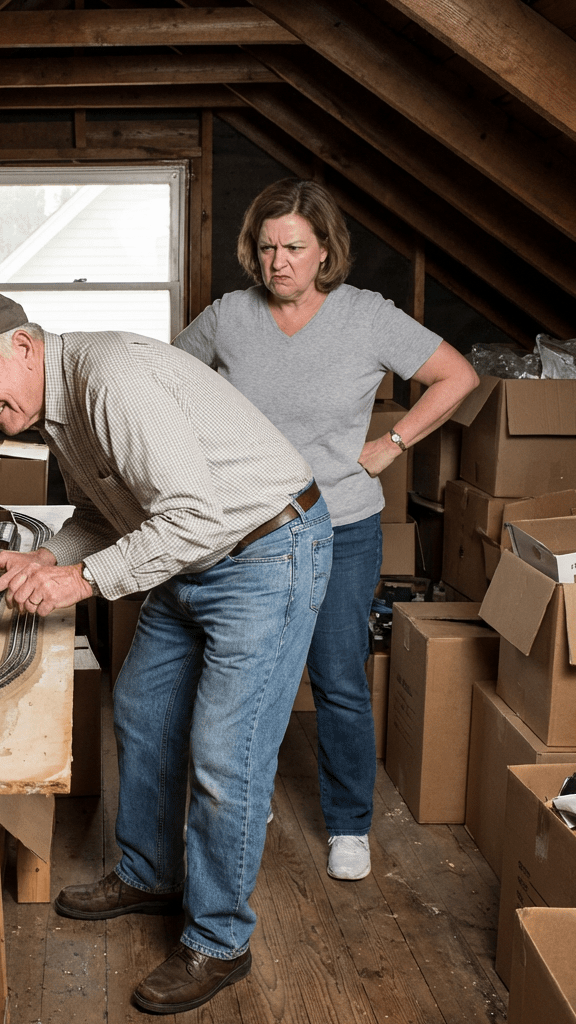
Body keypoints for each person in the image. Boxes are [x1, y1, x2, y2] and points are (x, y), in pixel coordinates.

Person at [0, 288, 334, 1015]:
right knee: (141, 708)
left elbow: (193, 515)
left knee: (224, 756)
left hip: (265, 552)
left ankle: (218, 942)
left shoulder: (110, 380)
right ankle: (148, 874)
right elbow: (107, 510)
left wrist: (78, 580)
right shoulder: (57, 406)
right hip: (191, 553)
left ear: (22, 345)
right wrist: (42, 557)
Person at [173, 178, 479, 881]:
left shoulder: (368, 317)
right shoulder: (227, 316)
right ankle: (247, 798)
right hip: (246, 530)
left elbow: (456, 377)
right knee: (244, 674)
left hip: (340, 525)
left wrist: (392, 445)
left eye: (294, 247)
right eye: (267, 245)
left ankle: (348, 824)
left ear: (324, 252)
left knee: (337, 677)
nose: (278, 261)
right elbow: (166, 383)